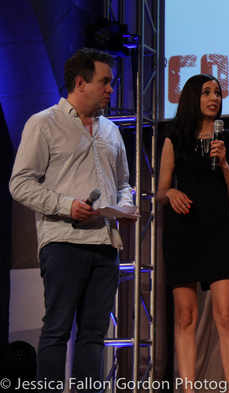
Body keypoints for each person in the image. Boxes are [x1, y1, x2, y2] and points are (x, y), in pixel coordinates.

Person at [9, 47, 136, 392]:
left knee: (94, 334)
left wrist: (125, 207)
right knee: (57, 329)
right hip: (64, 243)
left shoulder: (111, 131)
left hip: (105, 245)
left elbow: (124, 184)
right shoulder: (43, 123)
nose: (112, 89)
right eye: (105, 81)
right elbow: (19, 184)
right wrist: (68, 205)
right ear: (80, 83)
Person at [157, 74, 229, 393]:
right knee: (184, 315)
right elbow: (160, 190)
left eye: (219, 92)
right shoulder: (174, 139)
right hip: (183, 232)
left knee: (225, 314)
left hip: (218, 230)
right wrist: (170, 195)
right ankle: (188, 389)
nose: (214, 97)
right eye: (207, 92)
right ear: (192, 97)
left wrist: (223, 164)